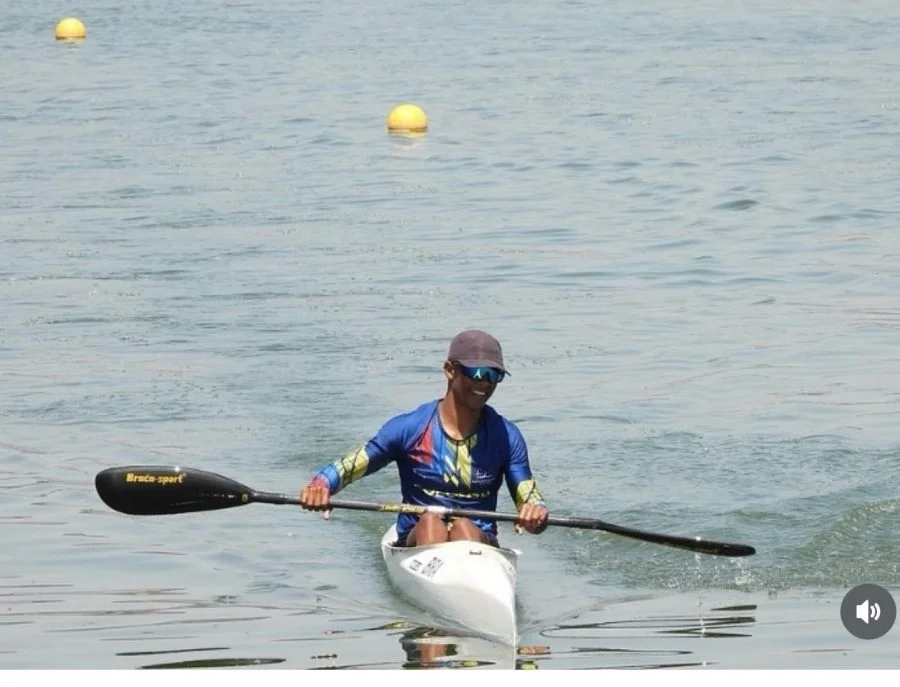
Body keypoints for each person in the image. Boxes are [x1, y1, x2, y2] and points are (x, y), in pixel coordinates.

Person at [299, 329, 549, 547]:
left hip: (478, 541)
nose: (485, 384)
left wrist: (534, 513)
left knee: (463, 527)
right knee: (431, 523)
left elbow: (527, 495)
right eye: (478, 372)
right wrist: (321, 485)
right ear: (450, 370)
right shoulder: (410, 429)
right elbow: (352, 464)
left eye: (495, 375)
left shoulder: (505, 436)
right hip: (418, 538)